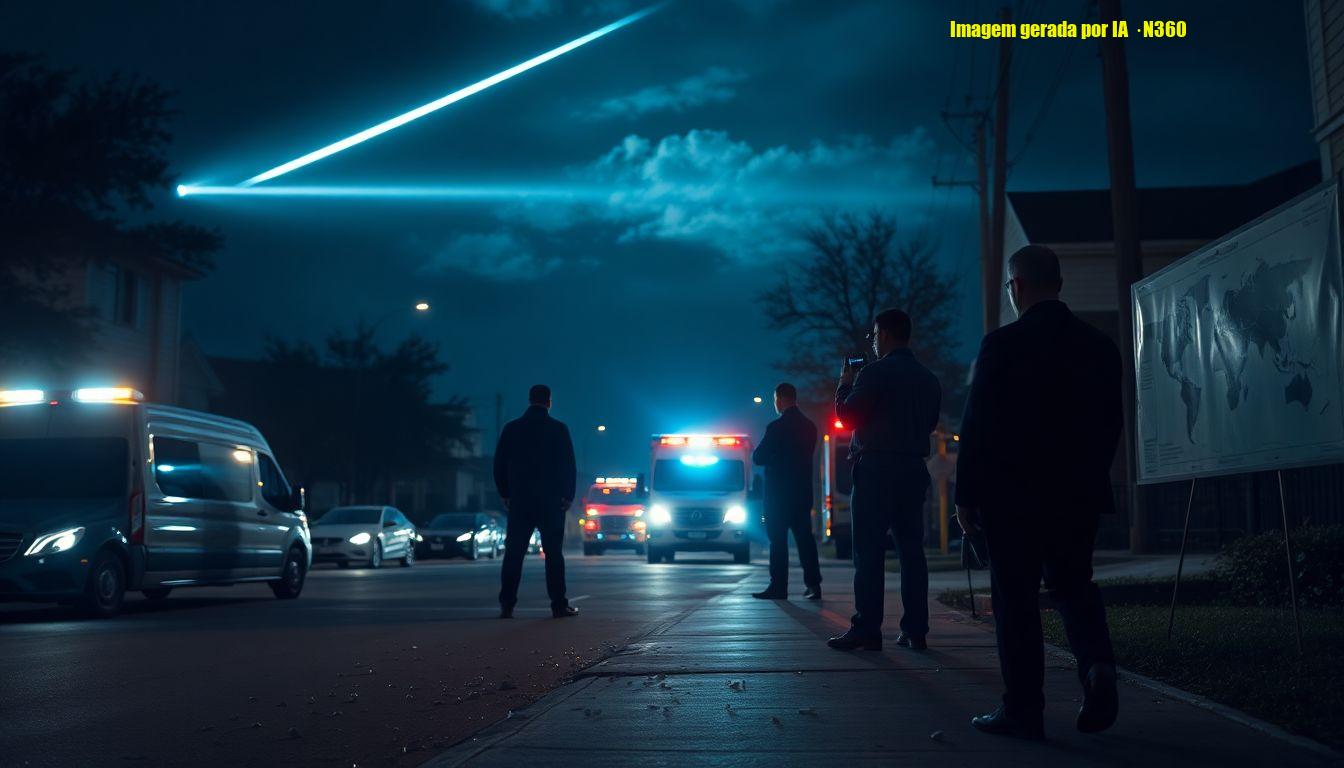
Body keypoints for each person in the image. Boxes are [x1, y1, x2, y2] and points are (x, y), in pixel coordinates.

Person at [956, 244, 1121, 739]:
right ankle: (1096, 666)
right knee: (1074, 586)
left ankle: (1024, 709)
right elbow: (1110, 424)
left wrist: (966, 498)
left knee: (1017, 601)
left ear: (1017, 287)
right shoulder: (1098, 345)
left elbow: (977, 424)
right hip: (1078, 494)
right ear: (1060, 284)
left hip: (1014, 499)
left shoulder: (1002, 345)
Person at [827, 308, 941, 652]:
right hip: (912, 469)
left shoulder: (874, 375)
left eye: (874, 336)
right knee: (911, 551)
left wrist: (844, 386)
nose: (873, 343)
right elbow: (931, 424)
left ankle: (867, 628)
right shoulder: (927, 379)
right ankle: (915, 629)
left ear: (886, 335)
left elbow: (847, 417)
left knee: (869, 552)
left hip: (876, 469)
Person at [494, 384, 579, 619]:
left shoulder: (512, 429)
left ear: (530, 399)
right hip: (551, 501)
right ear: (549, 401)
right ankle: (558, 605)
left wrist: (505, 493)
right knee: (553, 554)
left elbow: (499, 464)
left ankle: (507, 604)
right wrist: (567, 496)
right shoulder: (559, 429)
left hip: (520, 500)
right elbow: (569, 466)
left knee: (514, 553)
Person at [751, 382, 822, 600]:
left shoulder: (776, 427)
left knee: (778, 541)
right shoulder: (810, 426)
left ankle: (779, 586)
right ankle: (813, 585)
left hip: (778, 496)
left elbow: (758, 457)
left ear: (780, 399)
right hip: (801, 493)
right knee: (805, 540)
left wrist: (775, 458)